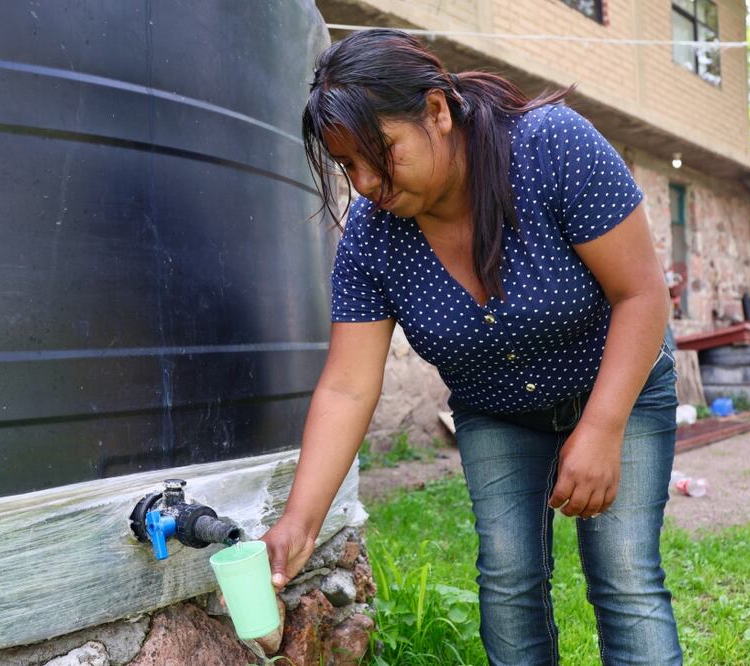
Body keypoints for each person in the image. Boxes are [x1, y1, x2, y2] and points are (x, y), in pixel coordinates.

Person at [261, 29, 682, 665]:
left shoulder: (551, 148)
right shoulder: (372, 242)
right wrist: (300, 521)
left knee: (623, 576)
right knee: (509, 582)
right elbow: (348, 385)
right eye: (348, 166)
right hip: (497, 409)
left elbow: (642, 296)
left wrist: (602, 426)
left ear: (437, 111)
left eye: (382, 153)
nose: (367, 182)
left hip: (619, 382)